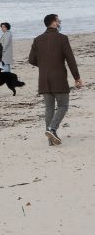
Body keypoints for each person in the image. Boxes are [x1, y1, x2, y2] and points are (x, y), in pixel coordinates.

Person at [28, 14, 82, 146]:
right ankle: (52, 129)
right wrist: (77, 77)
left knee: (49, 109)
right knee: (63, 106)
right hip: (58, 78)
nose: (59, 22)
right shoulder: (62, 38)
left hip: (44, 79)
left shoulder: (37, 39)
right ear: (53, 23)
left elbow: (31, 60)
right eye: (58, 20)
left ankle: (50, 139)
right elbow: (70, 59)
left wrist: (45, 64)